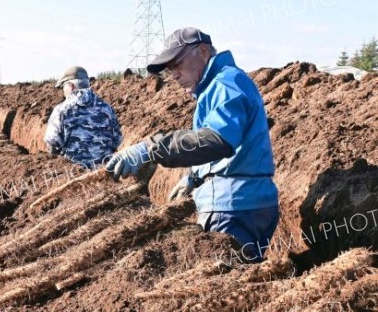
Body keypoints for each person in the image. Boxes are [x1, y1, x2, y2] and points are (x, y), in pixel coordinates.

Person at [105, 27, 279, 263]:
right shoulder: (217, 86)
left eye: (177, 64)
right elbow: (226, 144)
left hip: (232, 206)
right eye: (169, 70)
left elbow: (218, 140)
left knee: (220, 285)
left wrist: (149, 149)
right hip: (241, 202)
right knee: (239, 277)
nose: (173, 75)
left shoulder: (226, 82)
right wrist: (194, 177)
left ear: (203, 51)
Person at [44, 66, 122, 169]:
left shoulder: (61, 110)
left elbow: (52, 145)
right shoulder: (106, 108)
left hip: (73, 176)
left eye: (63, 86)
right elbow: (117, 140)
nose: (63, 91)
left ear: (71, 86)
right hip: (104, 175)